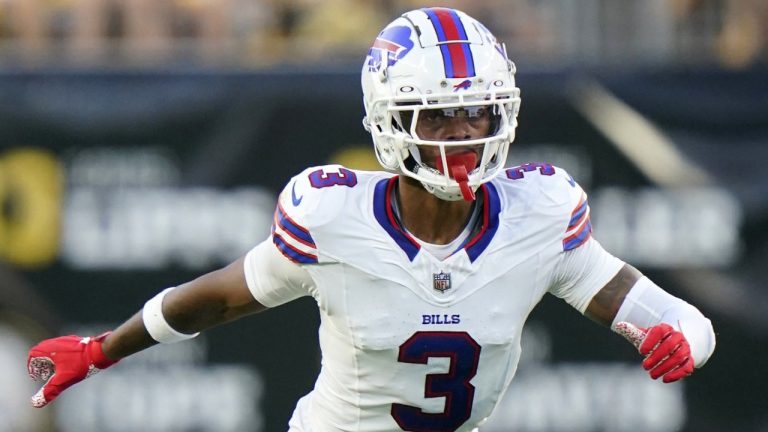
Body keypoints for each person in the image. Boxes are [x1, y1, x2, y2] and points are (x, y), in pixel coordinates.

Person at [26, 7, 716, 432]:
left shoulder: (538, 215)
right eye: (440, 115)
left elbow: (683, 319)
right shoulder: (332, 217)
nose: (465, 133)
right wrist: (100, 350)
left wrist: (685, 341)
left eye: (477, 110)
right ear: (391, 124)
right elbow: (216, 299)